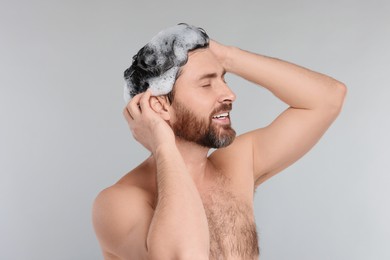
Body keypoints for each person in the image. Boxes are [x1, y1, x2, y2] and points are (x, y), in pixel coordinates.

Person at [92, 24, 346, 260]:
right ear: (158, 105)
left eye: (223, 78)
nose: (229, 94)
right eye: (206, 84)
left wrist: (226, 56)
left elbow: (327, 98)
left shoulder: (236, 165)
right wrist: (162, 145)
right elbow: (185, 255)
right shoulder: (119, 203)